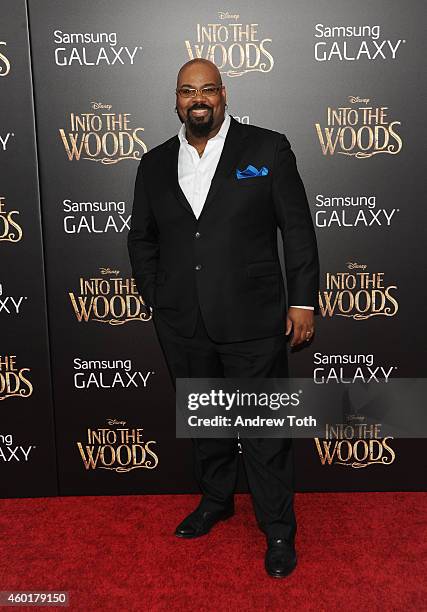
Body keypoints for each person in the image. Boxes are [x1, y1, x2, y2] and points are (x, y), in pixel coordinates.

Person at [127, 58, 319, 578]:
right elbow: (142, 237)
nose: (198, 99)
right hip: (183, 321)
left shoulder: (267, 148)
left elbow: (296, 229)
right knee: (207, 422)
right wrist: (156, 294)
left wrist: (303, 300)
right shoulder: (154, 163)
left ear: (223, 94)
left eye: (208, 89)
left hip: (254, 318)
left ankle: (278, 529)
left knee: (263, 428)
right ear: (176, 98)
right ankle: (216, 500)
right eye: (188, 90)